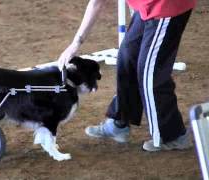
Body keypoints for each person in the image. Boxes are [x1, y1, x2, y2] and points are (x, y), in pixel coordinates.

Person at [57, 0, 197, 151]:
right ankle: (120, 122)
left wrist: (75, 44)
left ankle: (174, 135)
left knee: (149, 73)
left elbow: (97, 3)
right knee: (127, 56)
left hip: (166, 6)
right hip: (146, 6)